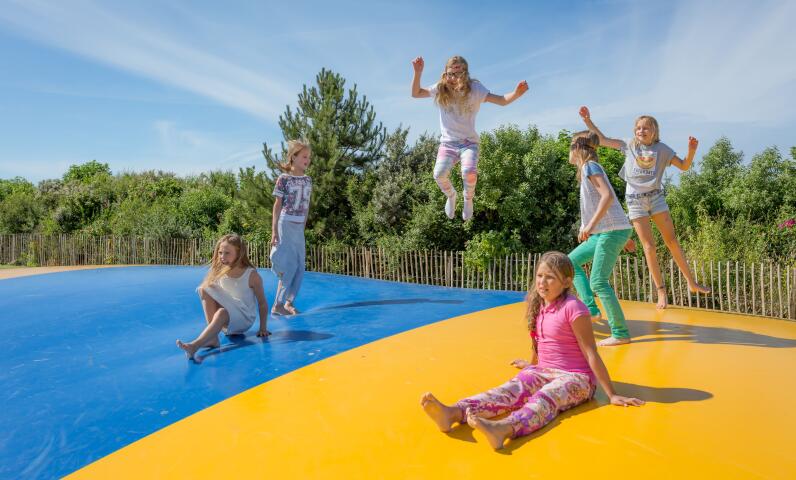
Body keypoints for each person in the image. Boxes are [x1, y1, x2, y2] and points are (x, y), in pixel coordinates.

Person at [420, 251, 643, 450]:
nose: (542, 282)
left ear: (566, 282)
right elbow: (538, 341)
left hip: (577, 378)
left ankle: (505, 428)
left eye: (550, 277)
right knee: (509, 389)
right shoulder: (538, 304)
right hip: (544, 370)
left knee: (546, 397)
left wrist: (612, 394)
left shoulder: (574, 308)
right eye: (539, 275)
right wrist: (532, 366)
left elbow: (590, 352)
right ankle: (454, 413)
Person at [579, 106, 710, 308]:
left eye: (645, 128)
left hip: (656, 198)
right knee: (649, 247)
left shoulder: (663, 149)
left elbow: (684, 166)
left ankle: (691, 283)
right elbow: (602, 140)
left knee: (672, 241)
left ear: (654, 131)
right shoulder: (629, 145)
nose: (641, 131)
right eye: (638, 128)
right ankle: (661, 292)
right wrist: (588, 121)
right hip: (635, 201)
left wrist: (691, 151)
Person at [411, 55, 528, 220]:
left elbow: (501, 100)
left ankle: (468, 198)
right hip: (448, 144)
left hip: (469, 143)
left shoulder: (475, 89)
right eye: (450, 74)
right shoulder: (441, 88)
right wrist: (418, 72)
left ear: (465, 73)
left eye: (458, 74)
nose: (454, 78)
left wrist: (516, 93)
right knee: (439, 174)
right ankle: (451, 196)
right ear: (445, 74)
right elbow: (416, 93)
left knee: (469, 171)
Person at [567, 132, 634, 346]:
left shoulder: (590, 167)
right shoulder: (587, 169)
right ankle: (591, 310)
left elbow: (607, 196)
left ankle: (620, 333)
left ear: (578, 149)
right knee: (570, 262)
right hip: (608, 231)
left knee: (598, 281)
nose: (569, 150)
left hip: (610, 232)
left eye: (570, 146)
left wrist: (589, 226)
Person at [177, 234, 270, 363]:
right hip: (229, 315)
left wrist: (263, 328)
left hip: (245, 318)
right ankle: (212, 338)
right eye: (220, 253)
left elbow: (262, 303)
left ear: (239, 253)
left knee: (221, 312)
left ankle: (195, 346)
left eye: (227, 253)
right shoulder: (219, 271)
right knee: (204, 288)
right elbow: (214, 296)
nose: (222, 256)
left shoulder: (251, 275)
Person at [270, 139, 312, 316]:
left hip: (299, 226)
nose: (307, 160)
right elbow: (277, 205)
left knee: (300, 265)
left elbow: (307, 205)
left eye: (309, 157)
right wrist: (274, 230)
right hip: (285, 223)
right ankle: (277, 304)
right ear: (293, 157)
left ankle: (289, 302)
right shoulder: (284, 179)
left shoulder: (308, 180)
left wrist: (303, 225)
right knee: (289, 265)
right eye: (304, 156)